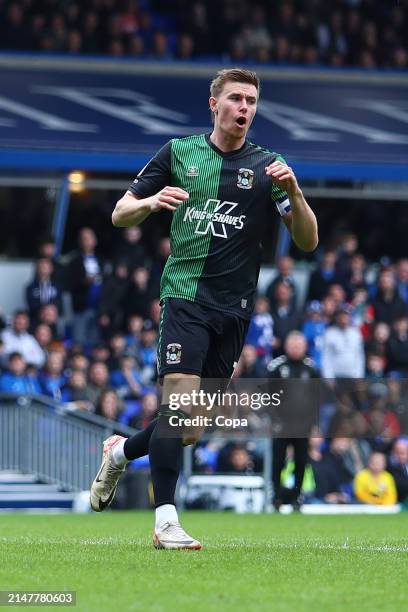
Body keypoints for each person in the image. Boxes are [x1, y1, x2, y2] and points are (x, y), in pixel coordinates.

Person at [90, 67, 318, 549]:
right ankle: (166, 521)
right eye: (236, 98)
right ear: (213, 104)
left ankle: (121, 451)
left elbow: (308, 240)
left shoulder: (268, 168)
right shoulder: (179, 153)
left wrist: (295, 193)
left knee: (189, 428)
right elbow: (118, 213)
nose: (245, 108)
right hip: (185, 297)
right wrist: (151, 201)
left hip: (234, 310)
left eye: (252, 101)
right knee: (177, 409)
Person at [267, 331, 320, 511]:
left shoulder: (311, 369)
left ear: (304, 347)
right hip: (281, 425)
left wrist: (314, 425)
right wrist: (273, 420)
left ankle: (298, 497)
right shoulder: (276, 367)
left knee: (301, 460)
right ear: (286, 346)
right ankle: (275, 496)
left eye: (299, 345)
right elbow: (267, 397)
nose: (296, 348)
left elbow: (316, 399)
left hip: (303, 425)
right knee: (278, 461)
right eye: (293, 345)